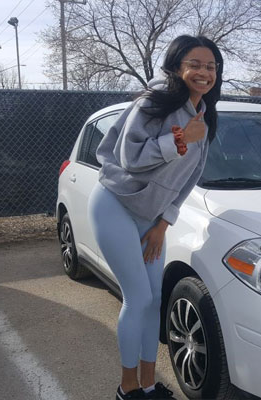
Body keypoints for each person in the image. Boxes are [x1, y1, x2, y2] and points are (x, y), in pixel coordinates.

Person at [88, 35, 223, 400]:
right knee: (136, 298)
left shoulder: (204, 118)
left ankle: (148, 385)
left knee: (153, 298)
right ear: (178, 67)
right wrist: (180, 139)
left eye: (210, 66)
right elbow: (129, 156)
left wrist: (164, 223)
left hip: (152, 219)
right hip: (115, 204)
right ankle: (127, 388)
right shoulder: (154, 102)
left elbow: (188, 179)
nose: (203, 72)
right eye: (194, 64)